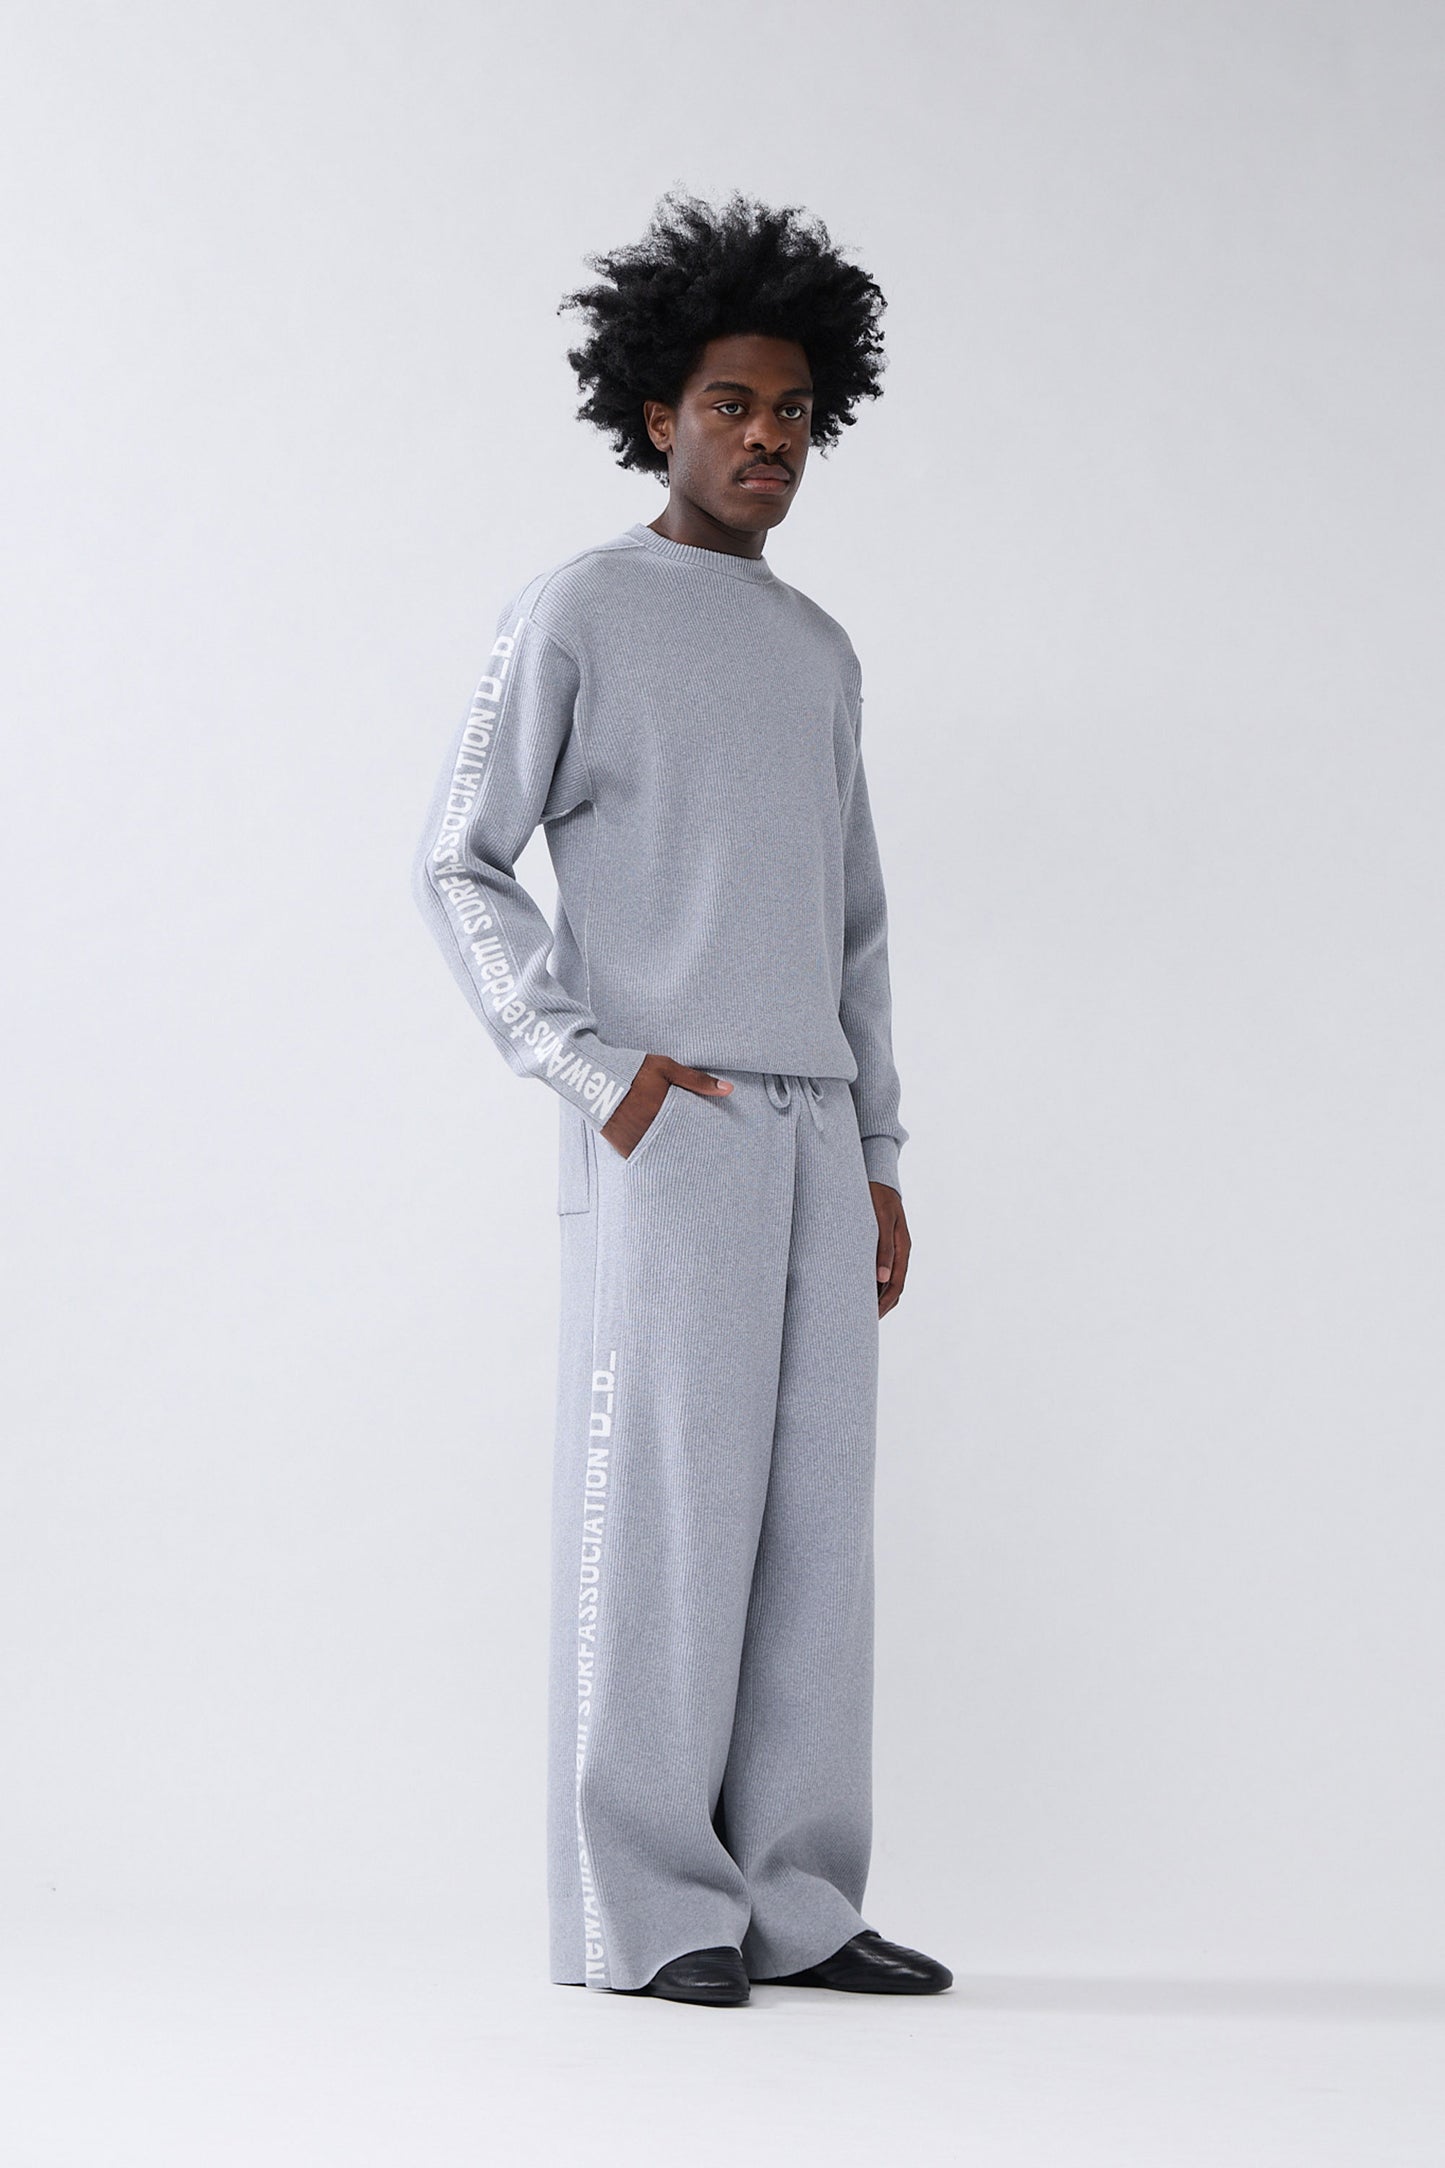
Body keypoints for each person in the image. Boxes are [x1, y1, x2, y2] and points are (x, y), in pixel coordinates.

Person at [411, 188, 950, 2007]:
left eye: (792, 411)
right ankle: (645, 1910)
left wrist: (878, 1157)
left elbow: (854, 927)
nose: (765, 437)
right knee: (662, 1514)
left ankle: (793, 1898)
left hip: (815, 1134)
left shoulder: (818, 650)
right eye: (731, 403)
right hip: (672, 1122)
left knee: (814, 1529)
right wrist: (593, 1069)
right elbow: (456, 860)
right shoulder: (577, 610)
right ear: (658, 413)